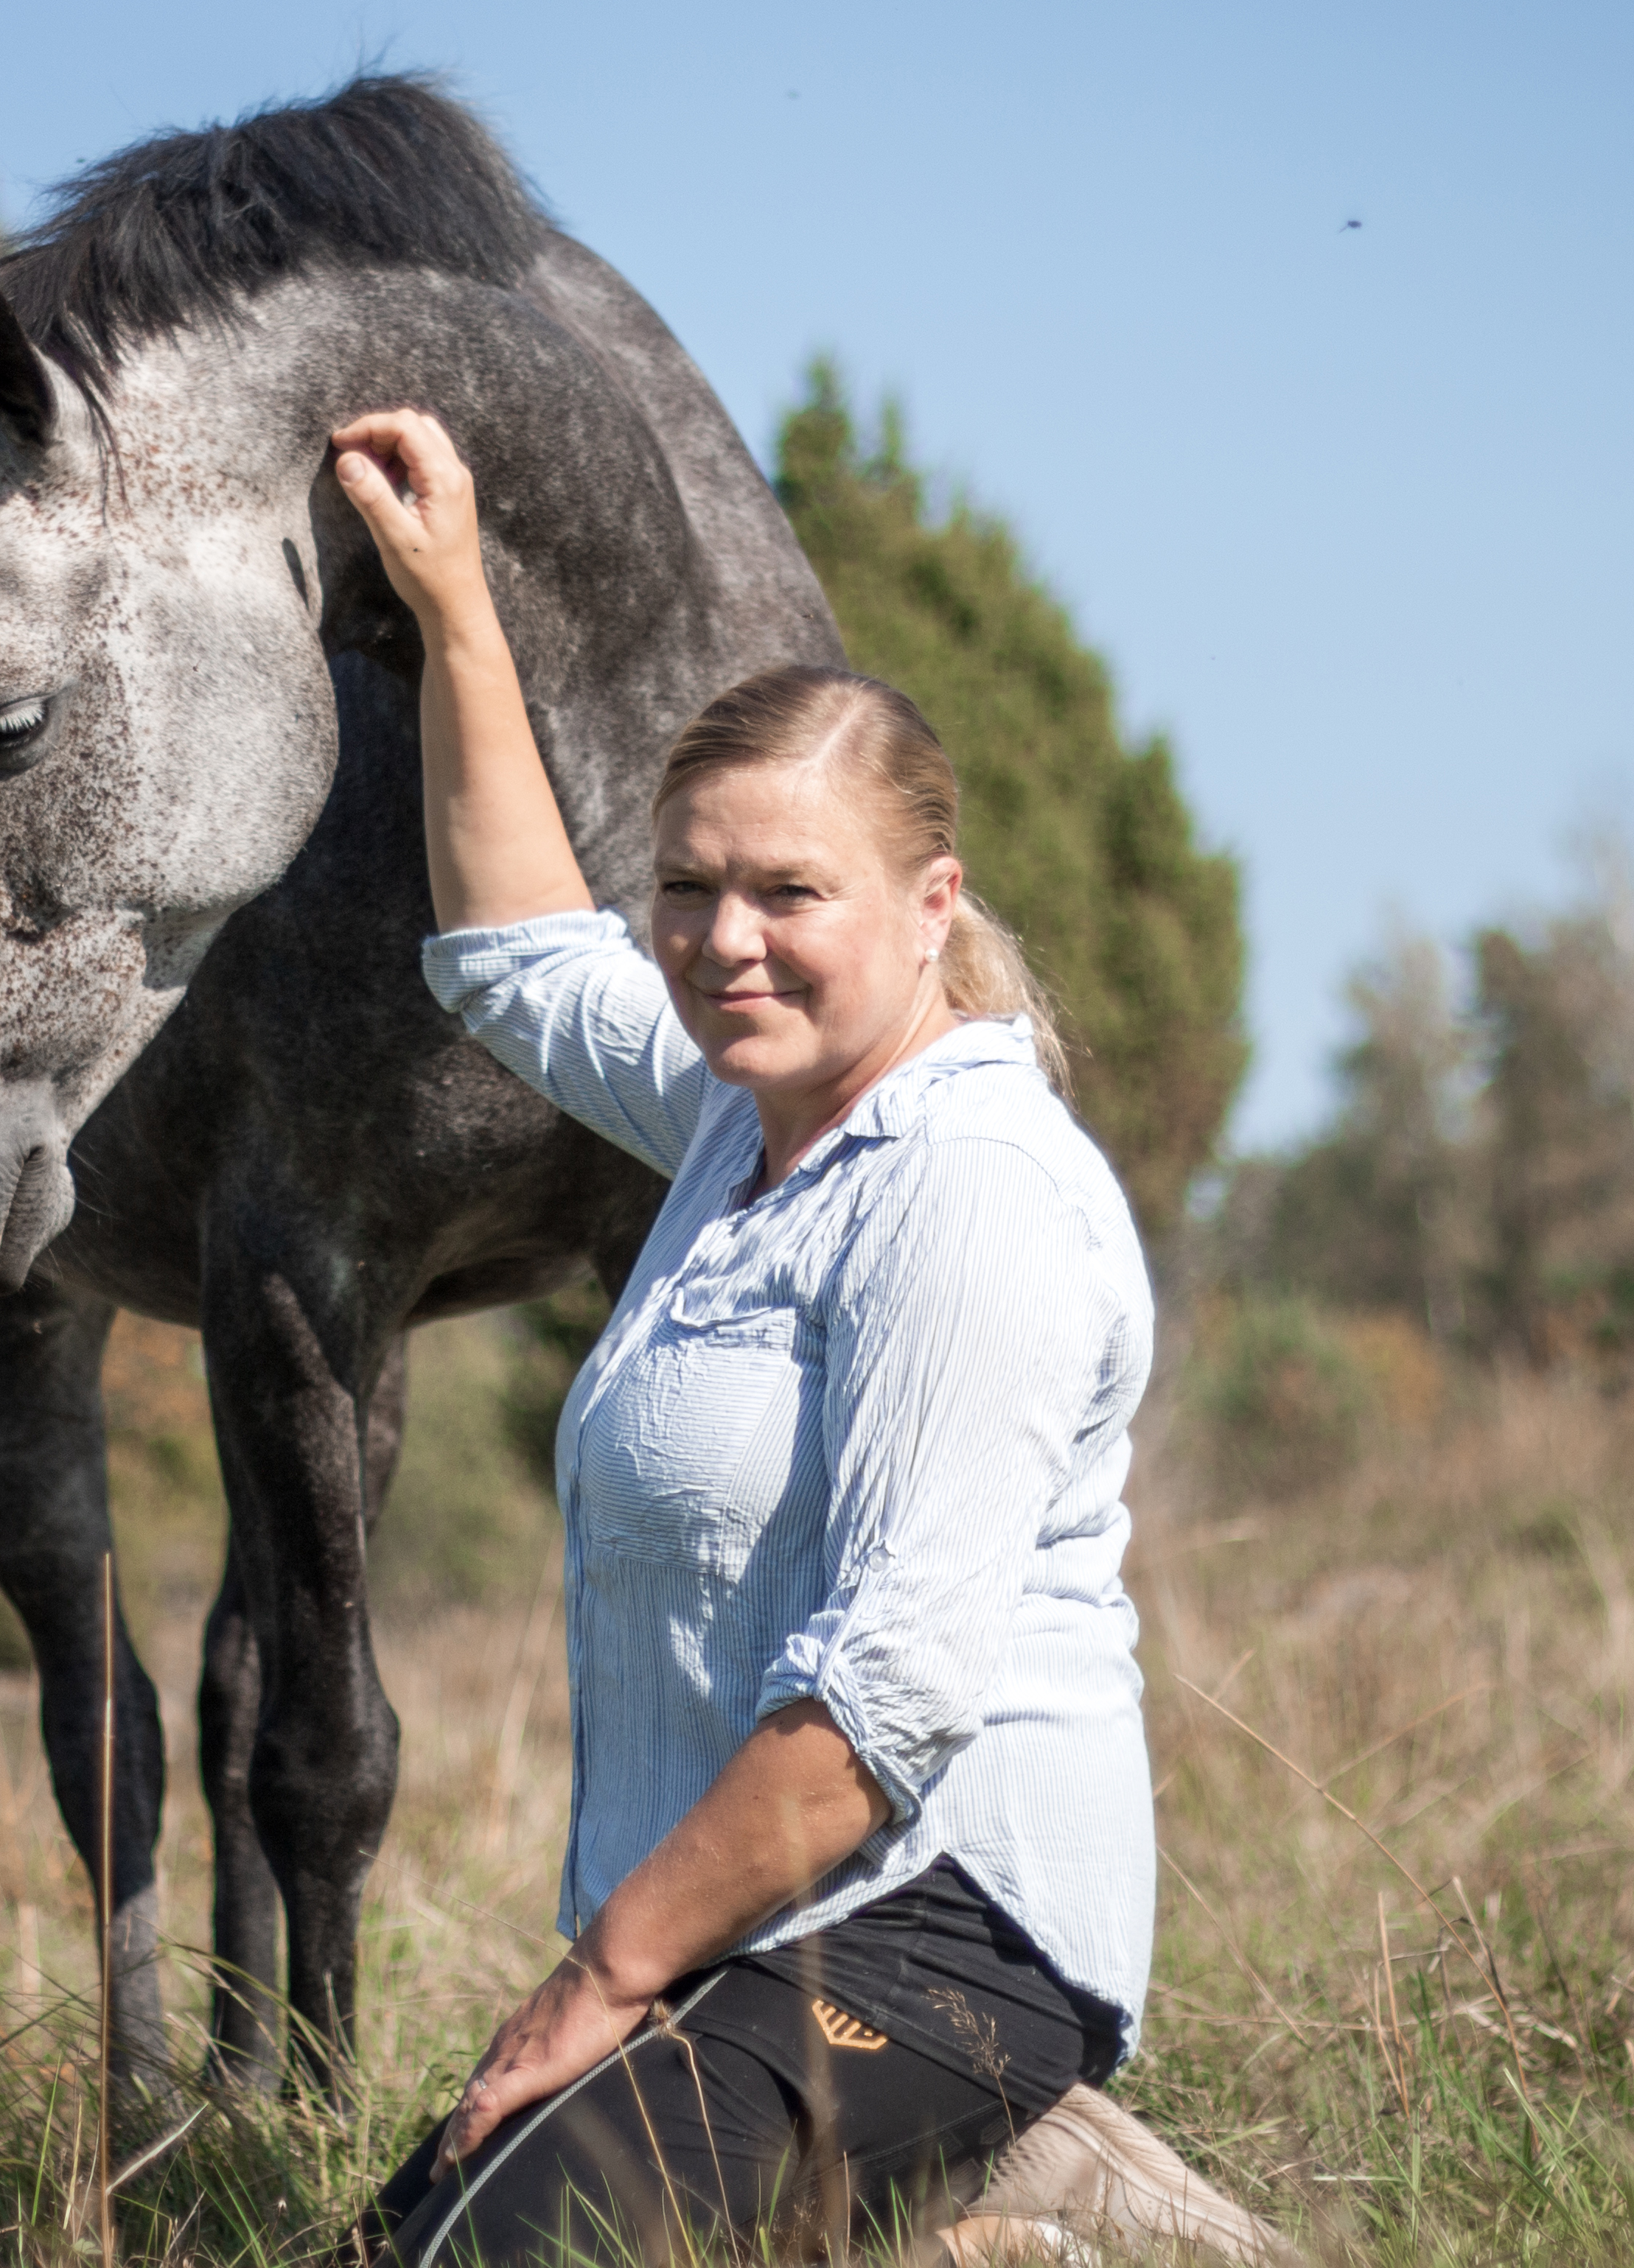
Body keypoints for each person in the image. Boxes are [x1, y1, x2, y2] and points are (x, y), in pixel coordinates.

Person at [329, 410, 1287, 2268]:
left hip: (940, 1928)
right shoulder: (734, 1121)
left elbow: (888, 1702)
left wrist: (604, 1972)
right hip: (747, 1923)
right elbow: (528, 956)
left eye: (790, 891)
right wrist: (454, 609)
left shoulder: (973, 1192)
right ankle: (967, 2207)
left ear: (933, 910)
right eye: (688, 885)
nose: (721, 940)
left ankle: (1031, 2189)